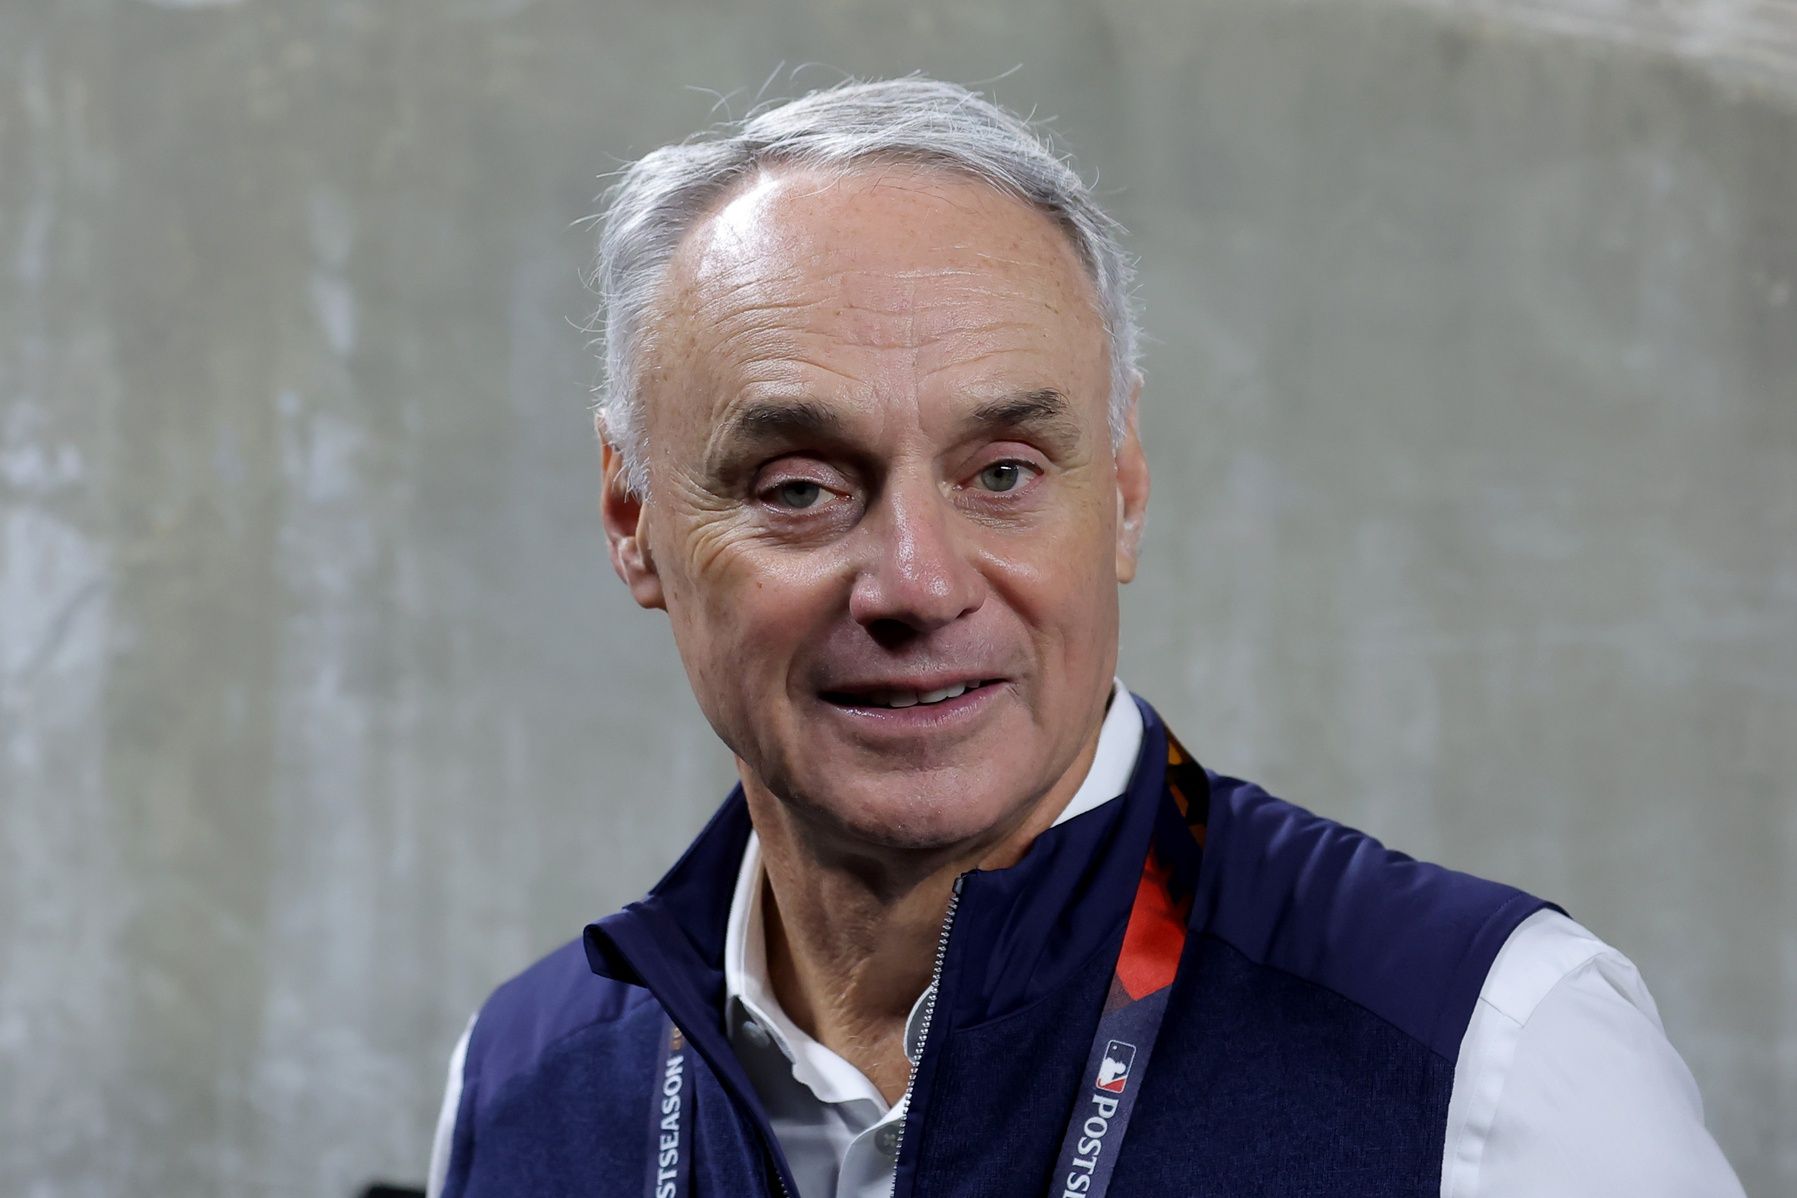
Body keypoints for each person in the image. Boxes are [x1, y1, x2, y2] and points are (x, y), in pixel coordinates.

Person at [426, 77, 1743, 1198]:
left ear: (1118, 494)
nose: (915, 582)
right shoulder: (526, 1085)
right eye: (800, 488)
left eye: (1000, 472)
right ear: (631, 519)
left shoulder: (1490, 1047)